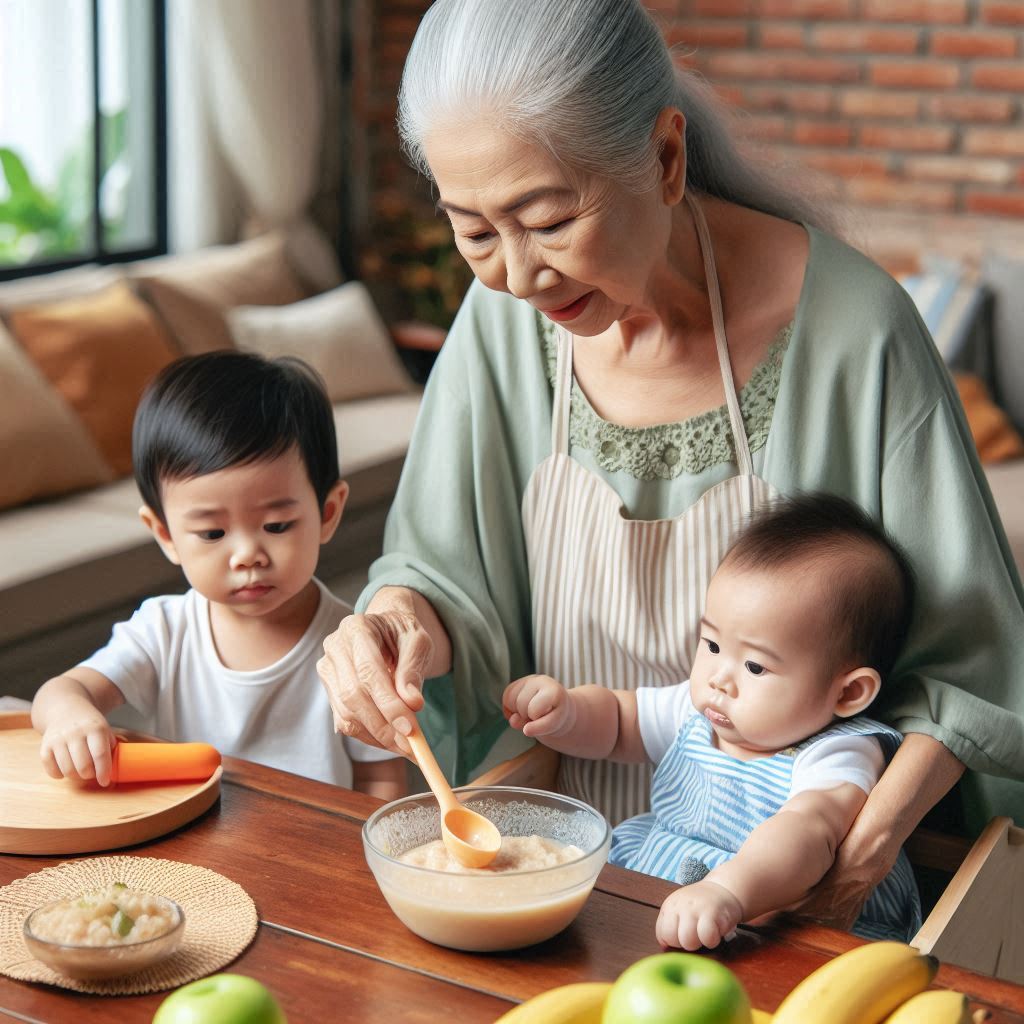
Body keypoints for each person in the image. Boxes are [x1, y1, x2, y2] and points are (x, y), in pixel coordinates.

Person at [316, 0, 1024, 931]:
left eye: (549, 219)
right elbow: (442, 577)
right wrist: (393, 625)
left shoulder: (856, 333)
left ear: (664, 157)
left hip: (784, 896)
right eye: (476, 232)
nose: (518, 278)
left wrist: (861, 844)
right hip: (556, 876)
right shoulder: (499, 327)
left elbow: (975, 671)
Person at [504, 494, 920, 948]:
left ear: (848, 693)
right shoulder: (694, 709)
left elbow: (807, 830)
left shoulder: (838, 751)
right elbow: (621, 721)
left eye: (756, 667)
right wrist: (567, 711)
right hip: (660, 889)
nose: (720, 679)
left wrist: (729, 889)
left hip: (764, 915)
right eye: (713, 645)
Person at [31, 352, 406, 802]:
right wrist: (70, 715)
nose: (247, 555)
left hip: (310, 858)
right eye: (212, 532)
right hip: (194, 852)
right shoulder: (163, 633)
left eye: (276, 526)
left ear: (327, 513)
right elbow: (62, 690)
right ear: (165, 535)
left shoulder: (351, 649)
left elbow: (381, 780)